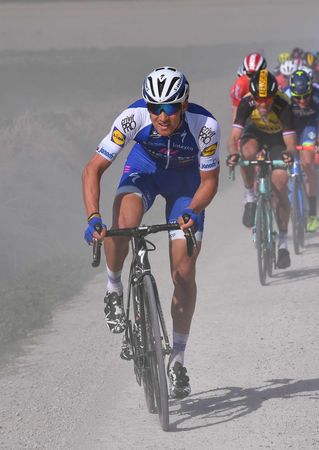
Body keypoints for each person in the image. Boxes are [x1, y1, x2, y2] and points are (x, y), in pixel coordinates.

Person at [82, 66, 220, 399]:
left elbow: (209, 181)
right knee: (123, 225)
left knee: (183, 274)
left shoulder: (205, 126)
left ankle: (178, 359)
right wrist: (93, 216)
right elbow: (93, 169)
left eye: (169, 107)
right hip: (144, 170)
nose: (161, 115)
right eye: (154, 107)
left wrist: (193, 210)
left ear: (183, 105)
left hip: (186, 185)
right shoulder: (133, 117)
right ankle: (114, 287)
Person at [227, 69, 296, 269]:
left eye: (267, 100)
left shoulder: (284, 104)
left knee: (280, 184)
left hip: (277, 140)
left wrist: (288, 153)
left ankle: (283, 244)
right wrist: (233, 154)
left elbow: (291, 143)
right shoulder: (247, 103)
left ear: (274, 96)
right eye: (259, 99)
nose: (263, 104)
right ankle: (250, 196)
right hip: (254, 134)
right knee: (246, 153)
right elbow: (233, 138)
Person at [288, 70, 319, 232]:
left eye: (305, 96)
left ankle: (312, 214)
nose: (302, 101)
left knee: (307, 162)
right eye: (297, 97)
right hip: (290, 127)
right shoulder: (284, 97)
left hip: (309, 126)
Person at [230, 52, 267, 120]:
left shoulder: (268, 79)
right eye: (250, 75)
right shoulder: (240, 84)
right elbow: (236, 110)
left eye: (257, 74)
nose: (253, 78)